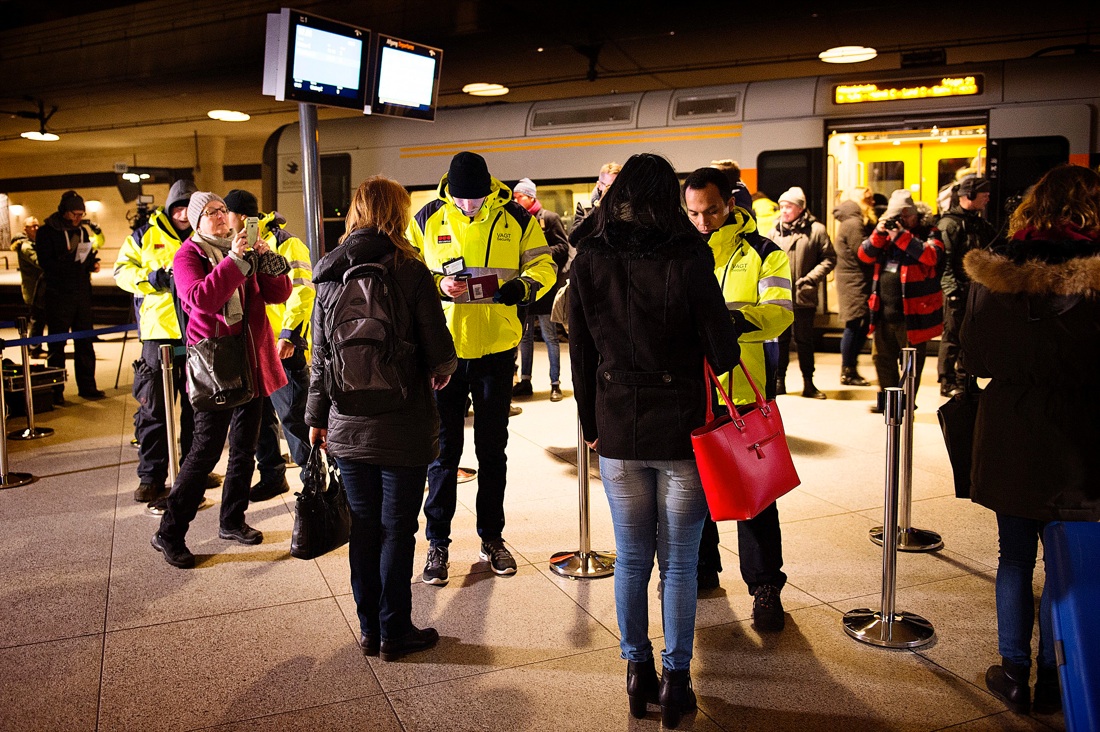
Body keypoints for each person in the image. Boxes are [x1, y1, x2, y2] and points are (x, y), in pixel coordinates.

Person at [569, 153, 740, 728]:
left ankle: (636, 670)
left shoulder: (589, 257)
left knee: (632, 556)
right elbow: (724, 350)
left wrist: (591, 425)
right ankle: (676, 681)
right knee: (681, 563)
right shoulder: (690, 253)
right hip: (681, 428)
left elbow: (583, 354)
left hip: (617, 423)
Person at [959, 163, 1100, 716]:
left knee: (1014, 555)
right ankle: (1054, 674)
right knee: (1069, 558)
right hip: (1084, 433)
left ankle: (1013, 673)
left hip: (1013, 425)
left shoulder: (997, 270)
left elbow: (975, 355)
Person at [308, 176, 458, 662]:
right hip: (404, 423)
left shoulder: (328, 274)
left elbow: (319, 357)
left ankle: (370, 629)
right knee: (398, 529)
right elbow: (441, 353)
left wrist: (317, 416)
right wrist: (440, 371)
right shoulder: (410, 270)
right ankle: (397, 630)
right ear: (397, 213)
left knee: (365, 527)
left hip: (346, 422)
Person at [407, 151, 556, 585]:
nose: (469, 206)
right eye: (462, 199)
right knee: (442, 453)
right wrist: (438, 284)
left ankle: (493, 538)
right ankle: (437, 543)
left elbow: (544, 264)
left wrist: (522, 287)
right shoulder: (427, 217)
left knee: (493, 452)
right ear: (449, 190)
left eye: (476, 199)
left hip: (495, 349)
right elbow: (407, 270)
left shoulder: (515, 216)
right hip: (444, 351)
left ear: (489, 187)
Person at [151, 192, 291, 569]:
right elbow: (201, 299)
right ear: (196, 222)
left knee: (245, 448)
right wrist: (234, 262)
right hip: (217, 366)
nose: (217, 216)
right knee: (205, 452)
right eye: (209, 213)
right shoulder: (189, 256)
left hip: (250, 360)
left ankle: (232, 520)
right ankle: (169, 532)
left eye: (220, 211)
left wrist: (263, 260)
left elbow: (279, 294)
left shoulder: (241, 250)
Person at [683, 166, 793, 631]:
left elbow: (780, 314)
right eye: (692, 213)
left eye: (710, 210)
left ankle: (766, 585)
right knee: (692, 488)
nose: (702, 222)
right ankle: (703, 569)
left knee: (755, 493)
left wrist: (728, 322)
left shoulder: (765, 252)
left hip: (743, 388)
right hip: (689, 387)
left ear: (730, 204)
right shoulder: (677, 253)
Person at [223, 189, 314, 501]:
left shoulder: (287, 243)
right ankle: (272, 474)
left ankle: (313, 479)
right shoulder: (233, 246)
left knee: (294, 416)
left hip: (282, 347)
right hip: (252, 347)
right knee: (260, 418)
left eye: (227, 213)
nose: (224, 219)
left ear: (242, 217)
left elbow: (303, 292)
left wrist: (289, 335)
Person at [114, 179, 200, 503]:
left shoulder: (203, 236)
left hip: (195, 331)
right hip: (157, 334)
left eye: (187, 209)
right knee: (153, 409)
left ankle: (193, 472)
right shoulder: (144, 235)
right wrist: (151, 279)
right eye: (177, 207)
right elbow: (121, 271)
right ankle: (151, 476)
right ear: (168, 208)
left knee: (197, 408)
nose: (182, 214)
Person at [858, 190, 944, 412]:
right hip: (883, 312)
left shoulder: (929, 231)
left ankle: (906, 403)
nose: (899, 221)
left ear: (913, 215)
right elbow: (864, 254)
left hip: (913, 314)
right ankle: (890, 404)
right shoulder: (886, 234)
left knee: (910, 363)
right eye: (895, 217)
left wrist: (902, 236)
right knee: (882, 359)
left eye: (903, 217)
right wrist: (880, 231)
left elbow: (932, 256)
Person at [34, 190, 104, 402]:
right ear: (64, 211)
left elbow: (85, 255)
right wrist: (69, 263)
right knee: (57, 344)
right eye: (74, 214)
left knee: (85, 342)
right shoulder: (47, 232)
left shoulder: (82, 232)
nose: (78, 218)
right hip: (58, 294)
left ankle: (88, 386)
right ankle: (55, 391)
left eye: (81, 214)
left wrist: (91, 263)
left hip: (81, 292)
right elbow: (46, 263)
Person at [769, 186, 836, 398]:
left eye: (788, 206)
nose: (784, 211)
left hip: (803, 295)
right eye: (781, 206)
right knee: (780, 341)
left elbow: (829, 258)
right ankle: (779, 382)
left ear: (800, 208)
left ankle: (809, 383)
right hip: (779, 296)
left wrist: (811, 279)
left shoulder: (817, 230)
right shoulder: (774, 231)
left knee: (805, 341)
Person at [511, 178, 570, 402]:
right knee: (524, 338)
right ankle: (525, 381)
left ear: (531, 197)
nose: (516, 200)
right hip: (526, 287)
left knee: (549, 336)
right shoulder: (518, 220)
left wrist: (539, 253)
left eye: (520, 197)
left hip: (545, 287)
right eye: (515, 197)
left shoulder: (549, 218)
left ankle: (555, 384)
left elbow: (563, 247)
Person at [937, 176, 995, 397]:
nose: (988, 198)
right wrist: (951, 291)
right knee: (952, 336)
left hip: (975, 290)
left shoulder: (978, 223)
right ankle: (947, 381)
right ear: (969, 195)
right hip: (957, 290)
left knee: (969, 337)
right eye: (984, 194)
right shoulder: (949, 224)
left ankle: (963, 378)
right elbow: (945, 262)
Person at [833, 187, 876, 386]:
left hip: (853, 279)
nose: (872, 202)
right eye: (868, 199)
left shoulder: (851, 221)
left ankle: (849, 368)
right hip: (854, 281)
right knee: (854, 325)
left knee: (858, 324)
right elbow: (864, 253)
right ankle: (848, 371)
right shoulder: (854, 223)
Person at [11, 217, 45, 358]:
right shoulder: (26, 246)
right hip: (34, 290)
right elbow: (39, 262)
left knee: (39, 319)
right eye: (32, 226)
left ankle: (35, 347)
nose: (36, 229)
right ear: (25, 229)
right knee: (37, 319)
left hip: (38, 289)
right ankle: (34, 348)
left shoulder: (34, 243)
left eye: (37, 226)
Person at [570, 161, 621, 238]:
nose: (613, 191)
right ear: (599, 185)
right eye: (609, 186)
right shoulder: (585, 208)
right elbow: (573, 239)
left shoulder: (627, 208)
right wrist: (599, 207)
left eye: (616, 186)